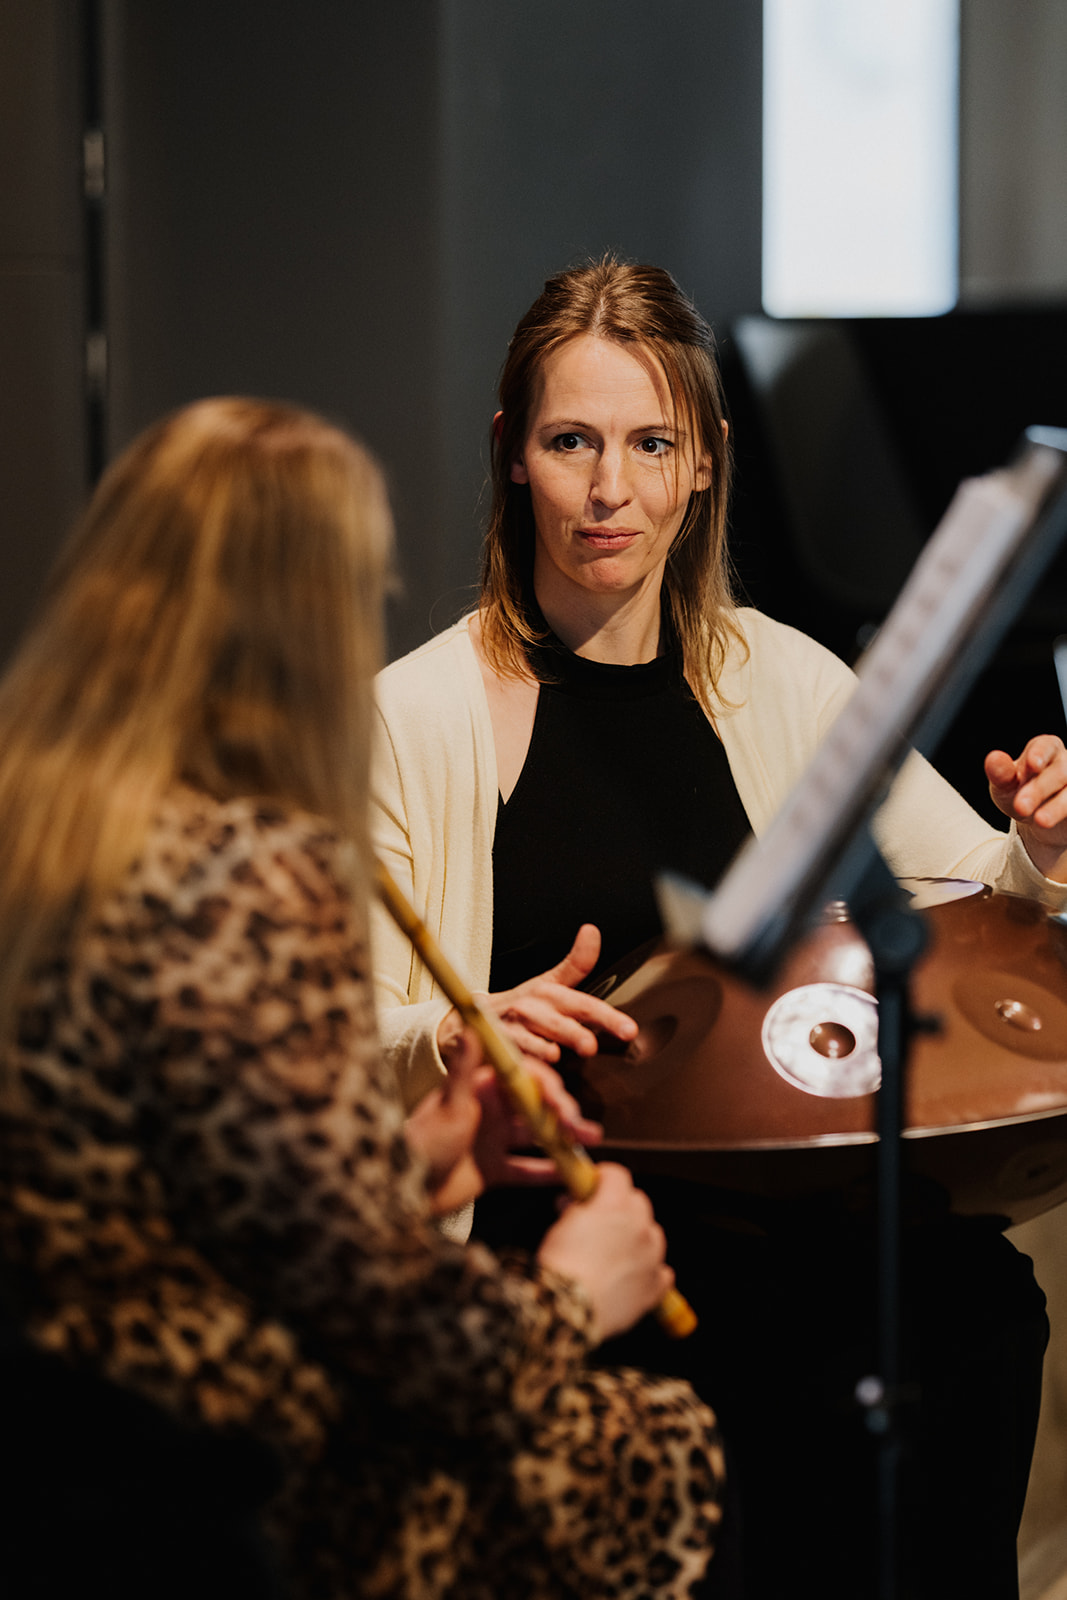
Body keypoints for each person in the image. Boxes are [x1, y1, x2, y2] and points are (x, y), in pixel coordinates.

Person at [371, 258, 1067, 1598]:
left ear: (705, 465)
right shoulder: (414, 717)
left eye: (649, 444)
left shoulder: (783, 679)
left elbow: (971, 896)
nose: (608, 489)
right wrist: (464, 1031)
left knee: (973, 1306)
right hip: (578, 1232)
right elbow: (345, 1036)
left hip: (784, 1211)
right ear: (514, 458)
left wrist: (1040, 849)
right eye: (570, 442)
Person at [0, 397, 729, 1600]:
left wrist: (420, 1157)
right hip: (226, 1469)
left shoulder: (54, 833)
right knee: (656, 1450)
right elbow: (388, 1327)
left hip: (81, 1444)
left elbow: (227, 1203)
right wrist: (573, 1294)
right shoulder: (240, 875)